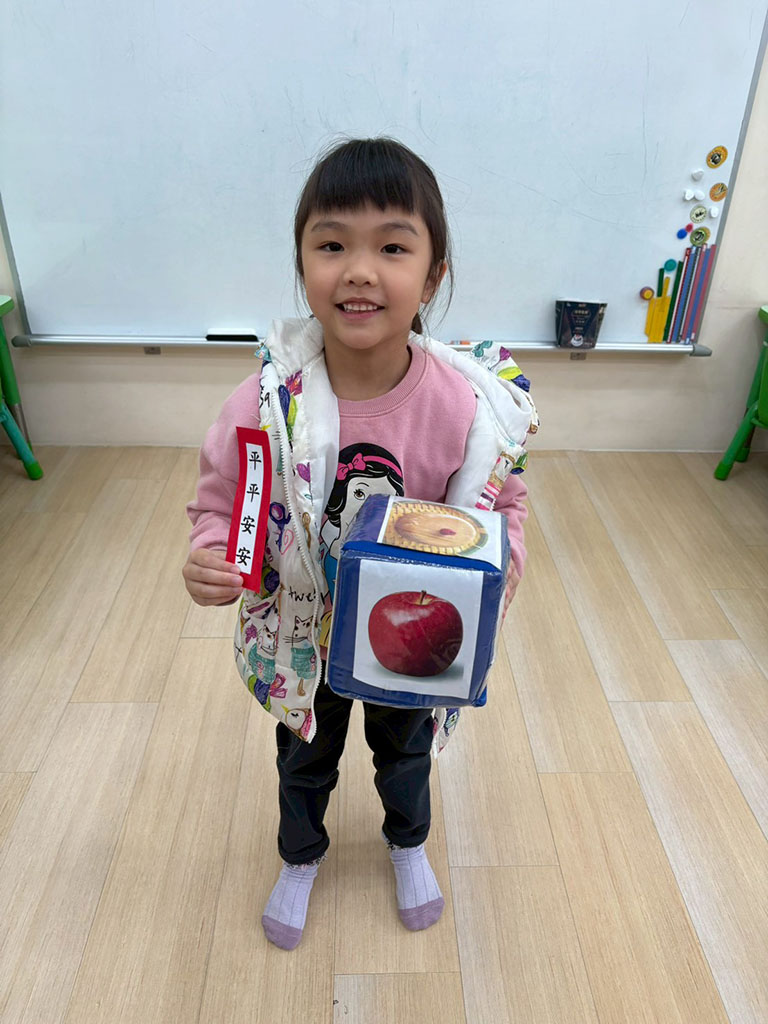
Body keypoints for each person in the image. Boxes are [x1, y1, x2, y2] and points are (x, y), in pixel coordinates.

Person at [183, 137, 537, 951]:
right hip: (303, 629)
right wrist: (211, 551)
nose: (360, 271)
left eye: (393, 248)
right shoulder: (267, 403)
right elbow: (223, 497)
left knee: (405, 755)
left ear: (433, 275)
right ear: (302, 264)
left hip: (414, 638)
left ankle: (407, 844)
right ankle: (300, 855)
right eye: (333, 245)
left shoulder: (465, 409)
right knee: (303, 757)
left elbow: (501, 502)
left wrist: (503, 562)